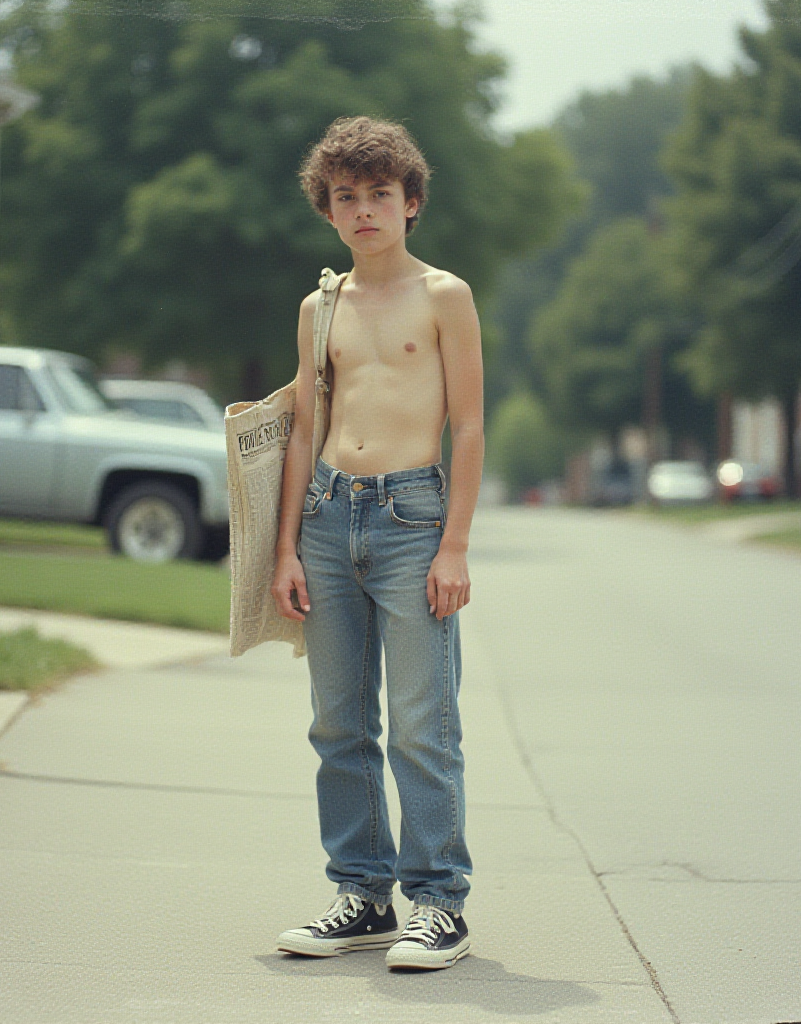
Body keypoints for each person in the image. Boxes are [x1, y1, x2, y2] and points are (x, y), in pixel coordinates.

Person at [271, 116, 483, 971]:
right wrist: (285, 546)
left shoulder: (444, 296)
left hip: (412, 521)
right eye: (346, 197)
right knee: (338, 723)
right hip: (326, 517)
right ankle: (361, 895)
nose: (364, 211)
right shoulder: (319, 307)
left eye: (380, 195)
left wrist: (455, 545)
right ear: (328, 210)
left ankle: (439, 905)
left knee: (423, 723)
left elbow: (467, 424)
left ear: (411, 203)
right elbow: (300, 426)